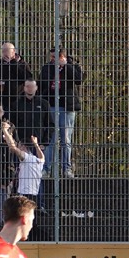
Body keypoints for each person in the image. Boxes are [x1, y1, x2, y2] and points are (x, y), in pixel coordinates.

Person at [36, 48, 82, 178]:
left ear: (62, 57)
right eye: (51, 57)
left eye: (55, 57)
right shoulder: (47, 68)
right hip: (51, 105)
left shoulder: (73, 66)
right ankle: (46, 169)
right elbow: (42, 83)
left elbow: (78, 80)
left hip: (67, 107)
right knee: (50, 138)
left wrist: (66, 66)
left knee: (66, 139)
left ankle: (66, 168)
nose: (52, 59)